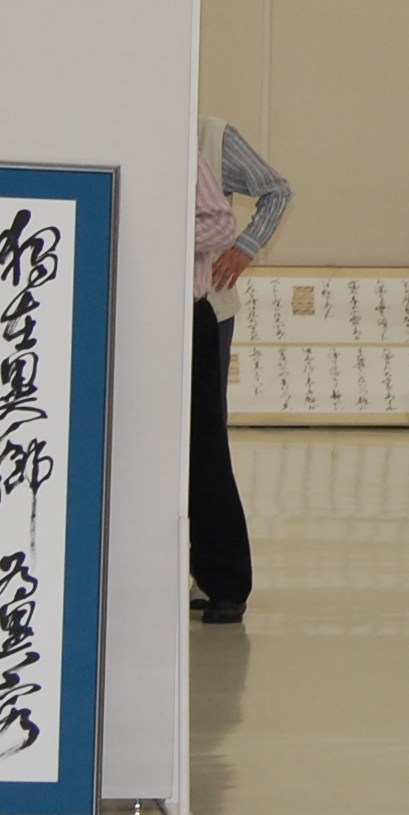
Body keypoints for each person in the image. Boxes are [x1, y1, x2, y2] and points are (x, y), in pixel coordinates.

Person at [189, 118, 291, 624]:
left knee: (205, 441)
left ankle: (219, 577)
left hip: (207, 304)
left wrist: (245, 248)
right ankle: (192, 570)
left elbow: (277, 190)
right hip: (144, 311)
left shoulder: (210, 135)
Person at [188, 150, 254, 624]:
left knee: (204, 449)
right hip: (116, 312)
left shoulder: (179, 150)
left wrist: (163, 229)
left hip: (184, 314)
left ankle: (225, 582)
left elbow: (221, 223)